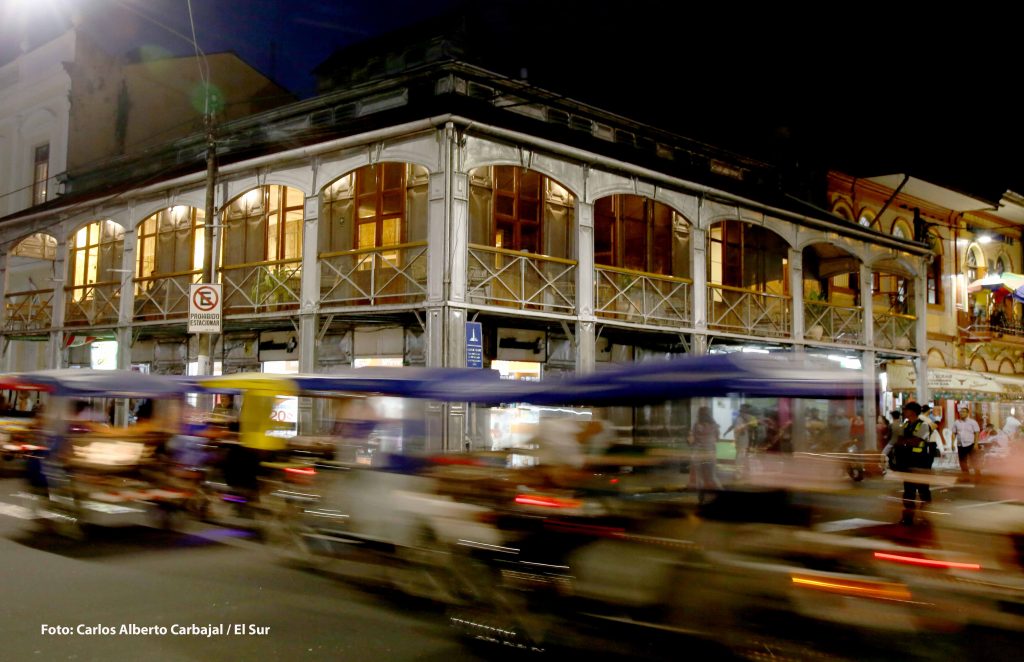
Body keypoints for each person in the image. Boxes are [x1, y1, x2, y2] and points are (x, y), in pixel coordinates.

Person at [890, 402, 936, 525]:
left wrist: (903, 442)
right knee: (908, 491)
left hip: (921, 462)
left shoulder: (923, 425)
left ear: (913, 412)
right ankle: (907, 518)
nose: (904, 411)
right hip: (907, 462)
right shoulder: (905, 423)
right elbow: (899, 439)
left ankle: (926, 517)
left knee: (923, 491)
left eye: (906, 409)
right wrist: (903, 442)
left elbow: (915, 442)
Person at [689, 406, 723, 501]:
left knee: (699, 476)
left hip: (698, 454)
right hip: (710, 453)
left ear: (699, 414)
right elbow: (718, 439)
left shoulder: (696, 425)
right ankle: (722, 493)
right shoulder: (714, 425)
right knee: (712, 476)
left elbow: (692, 441)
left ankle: (701, 496)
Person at [952, 405, 981, 479]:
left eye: (963, 412)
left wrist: (976, 444)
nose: (961, 413)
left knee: (974, 460)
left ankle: (978, 474)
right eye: (960, 412)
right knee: (962, 461)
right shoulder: (956, 422)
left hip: (970, 444)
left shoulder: (973, 422)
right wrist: (952, 443)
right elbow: (953, 433)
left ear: (968, 413)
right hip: (960, 444)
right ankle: (965, 475)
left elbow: (977, 433)